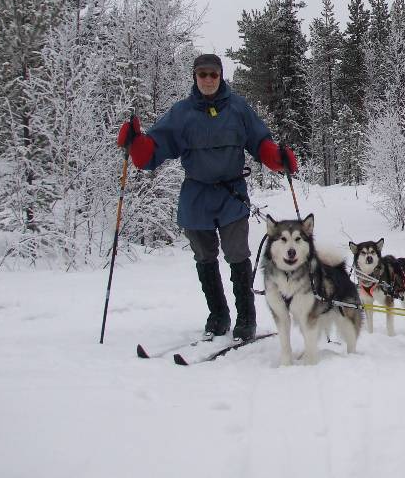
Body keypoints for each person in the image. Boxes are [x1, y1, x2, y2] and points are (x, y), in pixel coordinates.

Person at [116, 53, 298, 341]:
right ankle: (218, 316)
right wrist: (136, 143)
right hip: (196, 195)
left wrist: (278, 158)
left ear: (220, 76)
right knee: (204, 257)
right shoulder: (182, 113)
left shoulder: (238, 108)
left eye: (213, 74)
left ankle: (246, 318)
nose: (208, 79)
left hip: (231, 195)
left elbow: (260, 141)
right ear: (195, 77)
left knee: (237, 254)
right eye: (203, 74)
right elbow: (154, 150)